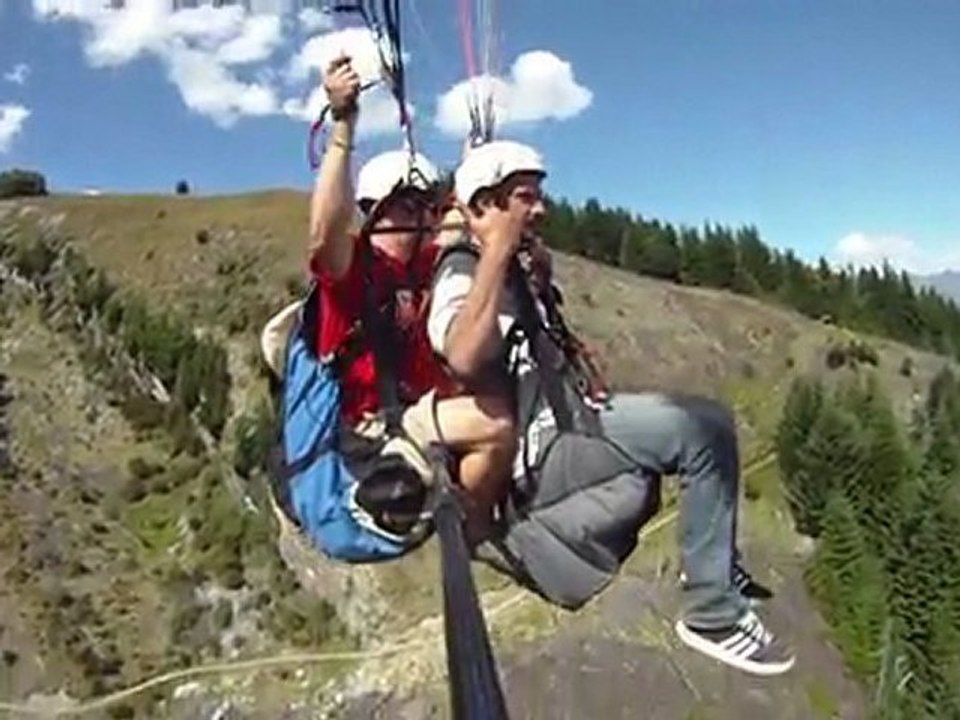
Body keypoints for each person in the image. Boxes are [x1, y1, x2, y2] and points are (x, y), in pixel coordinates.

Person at [425, 138, 795, 676]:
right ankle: (712, 613)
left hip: (570, 418)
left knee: (706, 424)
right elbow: (461, 352)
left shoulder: (499, 263)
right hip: (543, 451)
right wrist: (498, 252)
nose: (542, 209)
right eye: (525, 197)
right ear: (485, 206)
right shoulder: (462, 273)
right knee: (695, 430)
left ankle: (717, 573)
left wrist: (527, 271)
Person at [304, 55, 516, 540]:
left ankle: (478, 509)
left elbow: (458, 224)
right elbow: (324, 233)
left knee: (508, 396)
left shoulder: (425, 267)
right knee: (498, 423)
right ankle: (475, 531)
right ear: (376, 212)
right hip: (371, 431)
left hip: (420, 416)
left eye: (425, 208)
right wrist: (343, 125)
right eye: (408, 206)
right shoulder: (353, 270)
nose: (421, 219)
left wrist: (475, 163)